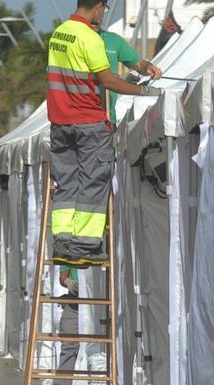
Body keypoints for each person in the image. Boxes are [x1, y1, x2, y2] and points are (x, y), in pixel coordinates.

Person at [47, 0, 160, 266]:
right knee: (94, 180)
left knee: (67, 183)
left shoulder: (59, 34)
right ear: (99, 6)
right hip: (88, 121)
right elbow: (107, 80)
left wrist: (143, 70)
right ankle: (85, 245)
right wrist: (142, 91)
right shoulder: (91, 38)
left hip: (60, 122)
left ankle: (62, 243)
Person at [92, 19, 162, 124]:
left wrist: (148, 66)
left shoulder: (113, 40)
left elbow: (138, 63)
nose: (98, 16)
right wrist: (143, 90)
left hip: (107, 119)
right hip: (78, 117)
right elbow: (108, 82)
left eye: (102, 9)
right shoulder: (76, 38)